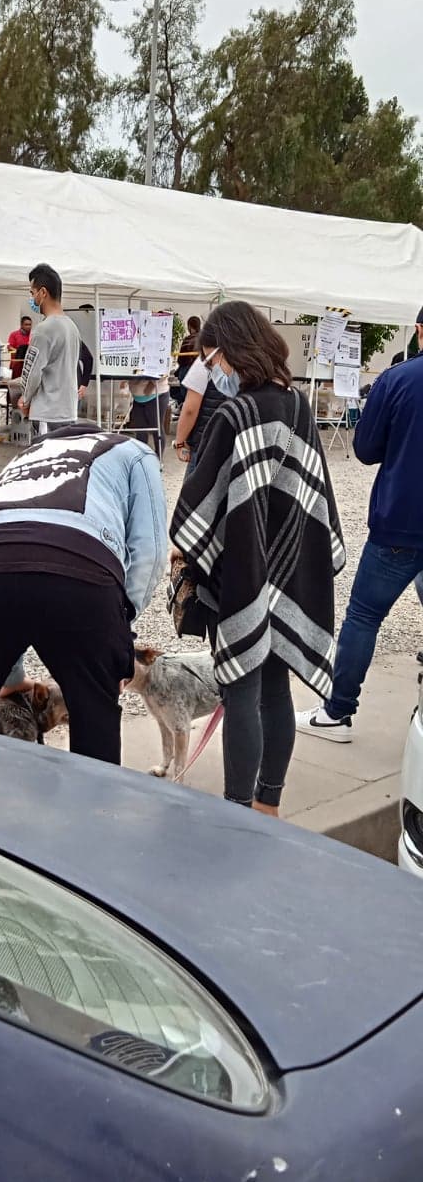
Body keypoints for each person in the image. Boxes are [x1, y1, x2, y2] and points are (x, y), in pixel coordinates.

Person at [170, 301, 345, 815]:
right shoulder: (298, 406)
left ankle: (237, 810)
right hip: (289, 571)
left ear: (231, 350)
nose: (215, 370)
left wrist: (187, 550)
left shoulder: (236, 414)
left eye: (214, 360)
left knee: (241, 688)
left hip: (240, 572)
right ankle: (269, 804)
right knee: (275, 688)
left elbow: (200, 508)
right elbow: (315, 499)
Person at [0, 424, 168, 764]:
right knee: (94, 711)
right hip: (79, 568)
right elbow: (149, 554)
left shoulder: (25, 456)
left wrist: (10, 678)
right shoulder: (133, 452)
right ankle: (93, 794)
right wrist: (117, 636)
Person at [297, 304, 423, 742]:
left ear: (419, 331)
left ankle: (337, 711)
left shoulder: (399, 378)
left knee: (365, 615)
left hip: (400, 518)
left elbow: (366, 449)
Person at [20, 264, 80, 431]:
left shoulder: (43, 329)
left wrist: (25, 399)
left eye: (32, 292)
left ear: (43, 292)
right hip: (68, 411)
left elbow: (32, 373)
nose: (32, 298)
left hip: (47, 412)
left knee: (46, 449)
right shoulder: (72, 327)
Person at [173, 346, 225, 470]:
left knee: (196, 481)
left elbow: (190, 408)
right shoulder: (255, 357)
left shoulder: (207, 359)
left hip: (205, 443)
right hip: (241, 445)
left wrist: (180, 443)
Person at [127, 376, 170, 457]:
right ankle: (142, 458)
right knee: (140, 430)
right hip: (138, 397)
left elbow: (164, 371)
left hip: (156, 394)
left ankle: (158, 458)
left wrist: (152, 384)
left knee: (156, 428)